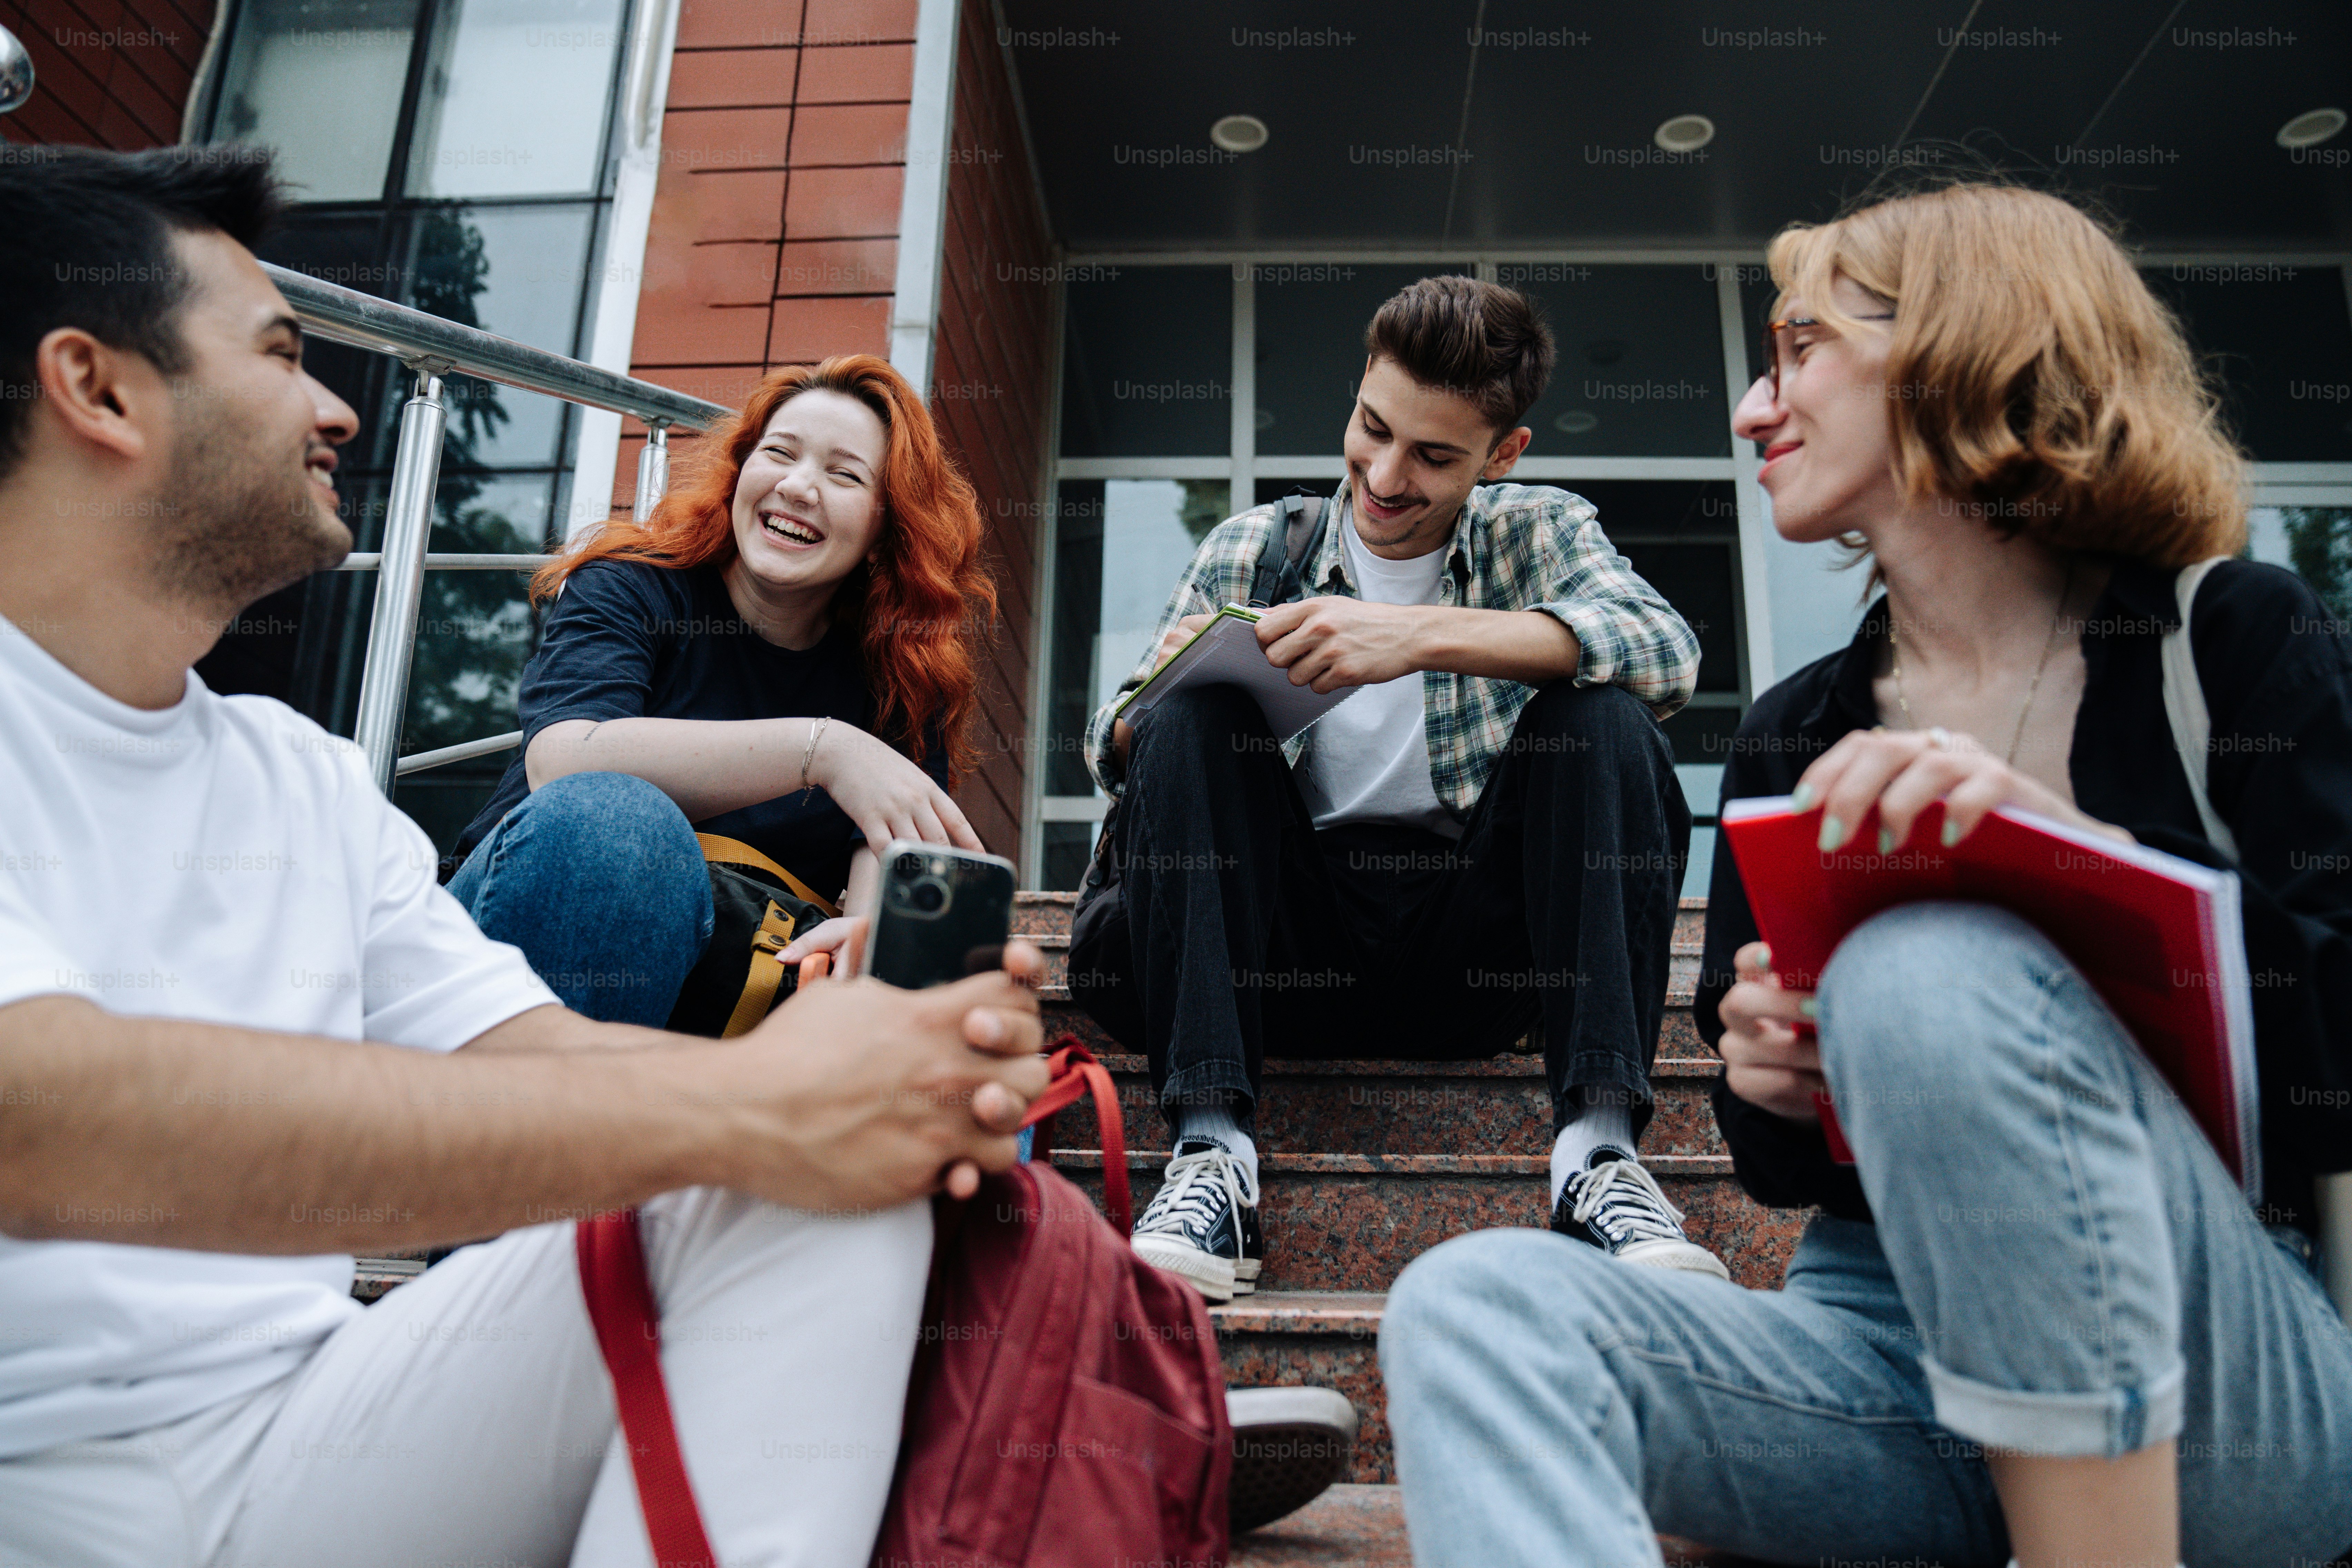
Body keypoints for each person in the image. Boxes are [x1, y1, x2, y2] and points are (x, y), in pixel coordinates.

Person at [0, 144, 1048, 1567]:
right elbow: (45, 1117)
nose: (339, 406)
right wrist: (749, 1106)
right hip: (38, 1471)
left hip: (301, 1432)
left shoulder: (302, 781)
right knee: (660, 920)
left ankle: (1042, 1420)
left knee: (857, 1169)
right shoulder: (632, 592)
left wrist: (863, 1075)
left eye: (842, 472)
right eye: (283, 351)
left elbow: (530, 1051)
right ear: (99, 387)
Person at [1377, 182, 2352, 1567]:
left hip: (2218, 1369)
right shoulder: (1794, 727)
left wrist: (2070, 866)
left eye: (1800, 349)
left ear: (1969, 345)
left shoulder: (2227, 640)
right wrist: (1772, 1077)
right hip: (1884, 1356)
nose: (1753, 408)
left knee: (1929, 965)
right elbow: (1775, 1166)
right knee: (1472, 1304)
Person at [1074, 274, 1720, 1302]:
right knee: (1185, 717)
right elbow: (1112, 750)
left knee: (1603, 717)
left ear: (1501, 456)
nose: (1382, 474)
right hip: (1284, 946)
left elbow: (1665, 654)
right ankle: (1211, 1156)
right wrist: (1191, 694)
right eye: (1371, 428)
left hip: (1472, 956)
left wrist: (1411, 638)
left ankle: (1597, 1158)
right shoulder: (1257, 546)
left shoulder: (1537, 531)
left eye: (1432, 455)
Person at [447, 352, 1000, 1025]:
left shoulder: (903, 672)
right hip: (513, 952)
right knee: (616, 820)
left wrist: (867, 945)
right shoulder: (631, 585)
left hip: (735, 997)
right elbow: (563, 757)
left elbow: (889, 877)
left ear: (886, 525)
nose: (799, 486)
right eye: (780, 453)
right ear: (741, 471)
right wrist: (824, 751)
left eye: (843, 473)